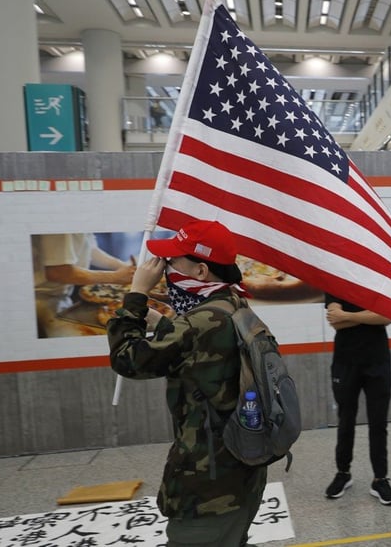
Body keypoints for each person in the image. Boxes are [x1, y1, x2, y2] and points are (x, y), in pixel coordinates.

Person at [107, 220, 267, 547]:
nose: (164, 268)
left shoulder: (197, 323)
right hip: (241, 474)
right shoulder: (234, 306)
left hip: (209, 486)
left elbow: (127, 359)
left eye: (173, 262)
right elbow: (202, 353)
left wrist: (136, 296)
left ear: (201, 272)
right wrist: (161, 321)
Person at [323, 293, 391, 505]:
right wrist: (369, 316)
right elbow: (335, 322)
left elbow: (386, 317)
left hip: (378, 361)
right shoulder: (335, 283)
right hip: (345, 362)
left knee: (378, 423)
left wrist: (347, 316)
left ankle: (380, 479)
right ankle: (343, 473)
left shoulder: (376, 283)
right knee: (345, 420)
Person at [32, 233, 136, 337]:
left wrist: (123, 266)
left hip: (60, 299)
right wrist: (115, 277)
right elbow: (58, 272)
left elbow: (88, 248)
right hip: (39, 304)